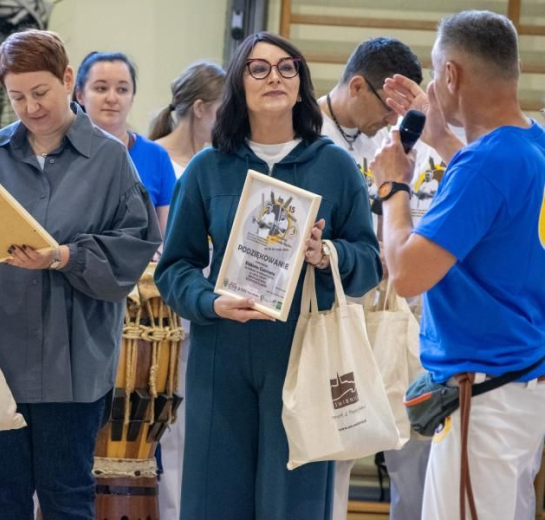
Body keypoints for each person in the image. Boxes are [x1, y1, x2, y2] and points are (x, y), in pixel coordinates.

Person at [0, 29, 161, 520]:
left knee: (66, 496)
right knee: (0, 498)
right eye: (17, 97)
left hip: (74, 367)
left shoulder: (110, 160)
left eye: (40, 93)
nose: (30, 107)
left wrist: (62, 256)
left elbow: (134, 248)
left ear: (68, 80)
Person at [154, 31, 381, 520]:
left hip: (303, 351)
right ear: (239, 84)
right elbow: (174, 268)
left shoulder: (336, 167)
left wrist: (330, 255)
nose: (274, 77)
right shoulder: (207, 169)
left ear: (301, 83)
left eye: (286, 67)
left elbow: (370, 261)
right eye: (258, 68)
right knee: (215, 500)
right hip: (221, 352)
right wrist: (208, 301)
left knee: (294, 503)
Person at [371, 10, 545, 520]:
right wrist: (443, 137)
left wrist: (392, 187)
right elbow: (493, 202)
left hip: (483, 399)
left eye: (434, 70)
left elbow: (406, 274)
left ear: (451, 74)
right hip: (518, 385)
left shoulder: (485, 164)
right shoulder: (531, 144)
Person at [316, 37, 432, 520]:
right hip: (334, 313)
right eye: (388, 108)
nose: (392, 120)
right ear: (357, 86)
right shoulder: (304, 130)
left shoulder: (398, 138)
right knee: (335, 453)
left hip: (398, 311)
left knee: (416, 445)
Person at [146, 60, 224, 520]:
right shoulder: (157, 159)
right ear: (200, 109)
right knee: (167, 426)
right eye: (224, 111)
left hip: (211, 306)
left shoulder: (220, 163)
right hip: (161, 311)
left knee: (201, 423)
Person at [74, 51, 175, 235]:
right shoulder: (63, 152)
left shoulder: (156, 156)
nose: (112, 98)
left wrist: (158, 251)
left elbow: (166, 237)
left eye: (122, 90)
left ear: (132, 96)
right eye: (101, 88)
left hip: (141, 263)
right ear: (80, 95)